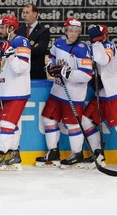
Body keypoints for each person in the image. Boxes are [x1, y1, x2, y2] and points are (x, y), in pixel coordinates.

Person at [81, 24, 117, 173]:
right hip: (102, 94)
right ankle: (98, 153)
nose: (101, 39)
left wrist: (96, 42)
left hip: (115, 92)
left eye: (101, 36)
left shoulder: (109, 45)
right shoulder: (93, 47)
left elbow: (102, 60)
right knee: (85, 120)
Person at [35, 18, 93, 169]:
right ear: (65, 30)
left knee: (72, 125)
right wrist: (50, 68)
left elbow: (87, 75)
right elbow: (51, 59)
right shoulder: (58, 43)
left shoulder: (82, 48)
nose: (74, 34)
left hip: (74, 94)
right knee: (48, 118)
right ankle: (53, 152)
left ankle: (77, 154)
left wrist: (66, 72)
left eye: (77, 31)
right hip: (57, 91)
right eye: (71, 30)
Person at [0, 15, 31, 172]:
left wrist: (11, 53)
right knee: (11, 125)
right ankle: (14, 154)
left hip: (18, 91)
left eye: (2, 27)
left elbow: (21, 68)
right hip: (3, 91)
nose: (0, 29)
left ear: (11, 28)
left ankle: (0, 154)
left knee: (6, 125)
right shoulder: (1, 45)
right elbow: (0, 69)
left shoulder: (21, 42)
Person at [17, 3, 49, 80]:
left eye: (27, 13)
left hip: (36, 72)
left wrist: (22, 50)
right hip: (21, 72)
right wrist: (31, 48)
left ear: (35, 14)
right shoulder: (20, 29)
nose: (24, 15)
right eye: (23, 13)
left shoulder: (43, 31)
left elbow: (39, 50)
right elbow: (15, 47)